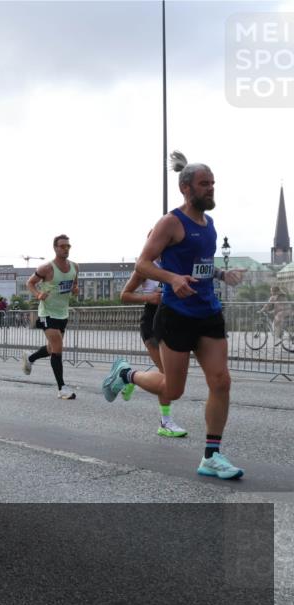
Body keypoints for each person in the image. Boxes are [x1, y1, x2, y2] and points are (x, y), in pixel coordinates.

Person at [102, 151, 246, 479]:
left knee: (221, 382)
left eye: (213, 183)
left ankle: (211, 456)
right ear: (185, 188)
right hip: (176, 315)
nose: (211, 189)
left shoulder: (209, 225)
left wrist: (223, 275)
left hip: (208, 312)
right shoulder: (171, 222)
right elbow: (142, 264)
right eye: (204, 184)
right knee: (173, 389)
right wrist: (172, 279)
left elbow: (201, 266)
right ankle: (126, 374)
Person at [119, 255, 187, 437]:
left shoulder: (175, 263)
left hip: (174, 321)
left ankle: (130, 376)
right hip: (152, 322)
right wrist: (148, 297)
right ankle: (165, 422)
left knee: (171, 377)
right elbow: (124, 295)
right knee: (166, 376)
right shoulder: (144, 268)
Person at [21, 235, 79, 399]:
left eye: (68, 246)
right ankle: (62, 388)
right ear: (55, 248)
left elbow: (74, 284)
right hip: (47, 313)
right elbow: (30, 283)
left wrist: (75, 290)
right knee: (58, 347)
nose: (66, 249)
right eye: (62, 246)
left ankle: (30, 358)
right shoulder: (47, 268)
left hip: (62, 313)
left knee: (52, 348)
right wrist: (38, 294)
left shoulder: (75, 267)